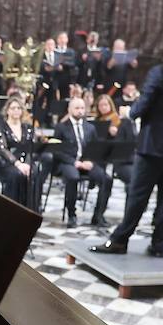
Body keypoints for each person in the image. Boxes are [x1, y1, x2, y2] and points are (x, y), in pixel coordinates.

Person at [92, 25, 163, 258]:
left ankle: (119, 240)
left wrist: (128, 112)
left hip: (154, 142)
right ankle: (158, 246)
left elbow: (141, 107)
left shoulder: (160, 72)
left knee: (138, 194)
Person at [54, 97, 112, 228]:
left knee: (106, 179)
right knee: (73, 177)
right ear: (69, 110)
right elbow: (56, 150)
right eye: (77, 108)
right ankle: (71, 215)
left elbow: (95, 148)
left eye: (82, 108)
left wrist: (90, 161)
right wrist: (74, 162)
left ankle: (98, 216)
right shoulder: (61, 127)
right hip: (69, 162)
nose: (80, 111)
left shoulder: (90, 128)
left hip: (87, 162)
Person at [0, 99, 43, 208]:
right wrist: (17, 164)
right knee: (16, 174)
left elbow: (31, 148)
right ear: (7, 111)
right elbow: (2, 149)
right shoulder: (1, 128)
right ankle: (13, 208)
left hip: (25, 162)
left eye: (18, 108)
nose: (16, 111)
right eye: (13, 108)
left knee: (35, 172)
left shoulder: (28, 128)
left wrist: (27, 164)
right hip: (6, 163)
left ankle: (32, 208)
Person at [93, 94, 136, 188]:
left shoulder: (118, 119)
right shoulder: (97, 120)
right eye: (101, 105)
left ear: (110, 105)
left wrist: (116, 132)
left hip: (115, 148)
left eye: (106, 105)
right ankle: (98, 179)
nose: (103, 107)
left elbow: (125, 138)